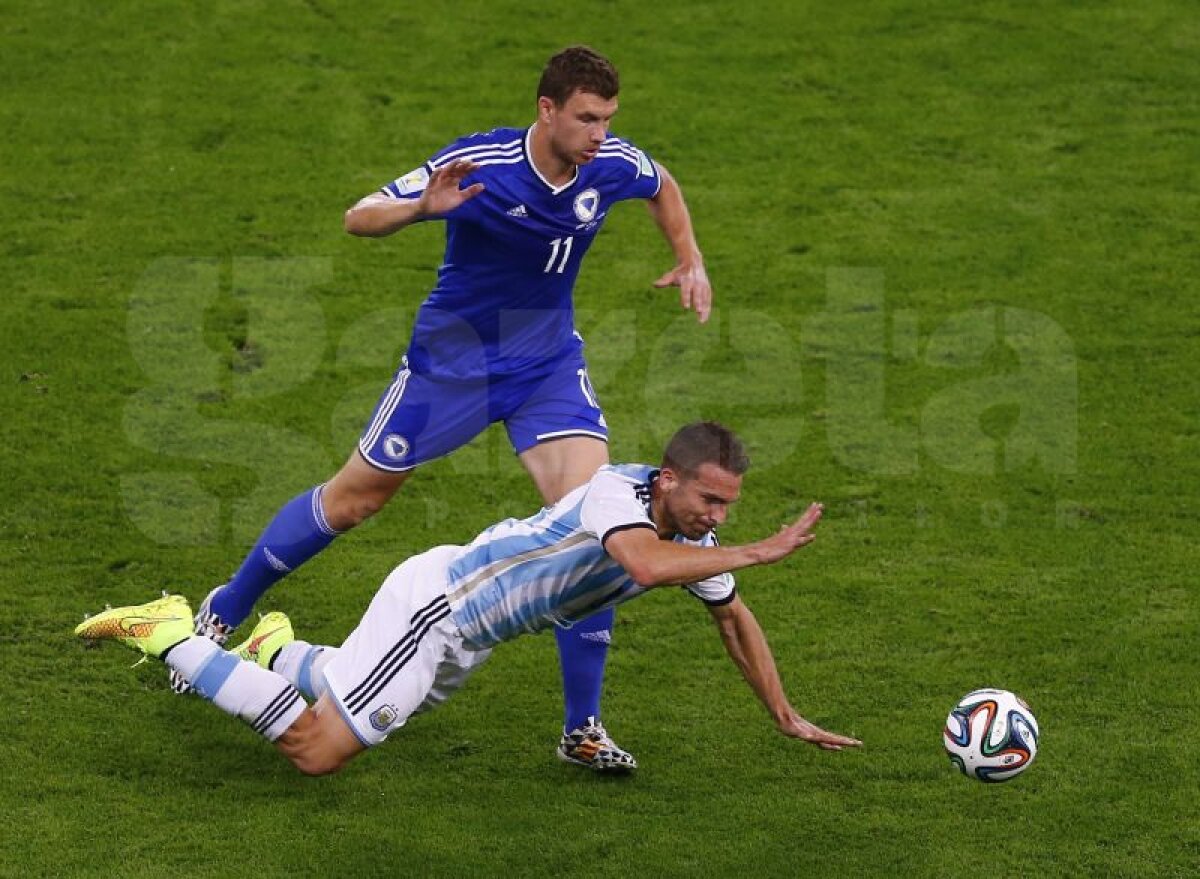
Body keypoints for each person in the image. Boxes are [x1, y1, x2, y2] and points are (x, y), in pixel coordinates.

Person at [170, 45, 714, 772]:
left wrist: (690, 255)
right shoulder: (481, 162)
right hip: (450, 366)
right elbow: (357, 217)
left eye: (609, 119)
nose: (599, 135)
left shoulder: (609, 161)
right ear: (546, 110)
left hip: (545, 365)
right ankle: (224, 609)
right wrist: (423, 207)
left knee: (599, 524)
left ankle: (581, 727)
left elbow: (662, 183)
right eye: (586, 119)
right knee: (353, 502)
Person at [79, 422, 862, 775]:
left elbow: (733, 617)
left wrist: (784, 713)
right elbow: (642, 566)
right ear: (668, 478)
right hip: (440, 607)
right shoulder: (613, 495)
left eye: (729, 507)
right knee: (319, 751)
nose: (718, 518)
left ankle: (273, 650)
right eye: (710, 500)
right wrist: (763, 549)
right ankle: (170, 630)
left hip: (468, 635)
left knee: (343, 687)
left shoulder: (689, 539)